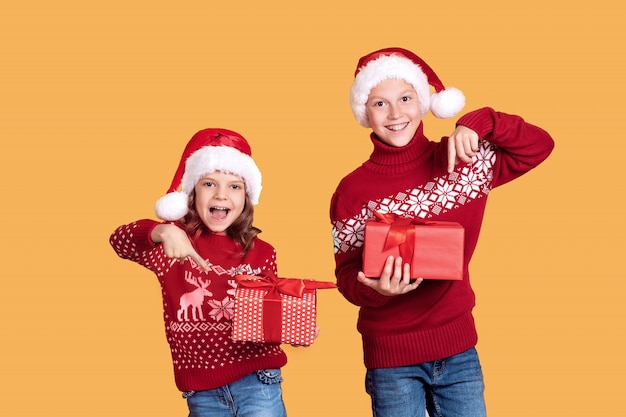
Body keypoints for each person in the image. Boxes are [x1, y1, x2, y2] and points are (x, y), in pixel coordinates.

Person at [329, 47, 554, 416]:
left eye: (405, 98)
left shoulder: (463, 159)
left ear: (424, 101)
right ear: (364, 114)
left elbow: (540, 145)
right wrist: (378, 291)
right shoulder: (351, 191)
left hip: (459, 351)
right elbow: (346, 279)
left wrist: (481, 122)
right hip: (391, 359)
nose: (396, 113)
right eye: (380, 104)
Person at [110, 128, 290, 417]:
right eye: (209, 183)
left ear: (246, 197)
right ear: (192, 193)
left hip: (257, 382)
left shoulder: (263, 252)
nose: (222, 194)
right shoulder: (171, 247)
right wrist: (162, 230)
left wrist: (288, 325)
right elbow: (119, 240)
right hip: (201, 392)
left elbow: (266, 316)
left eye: (235, 186)